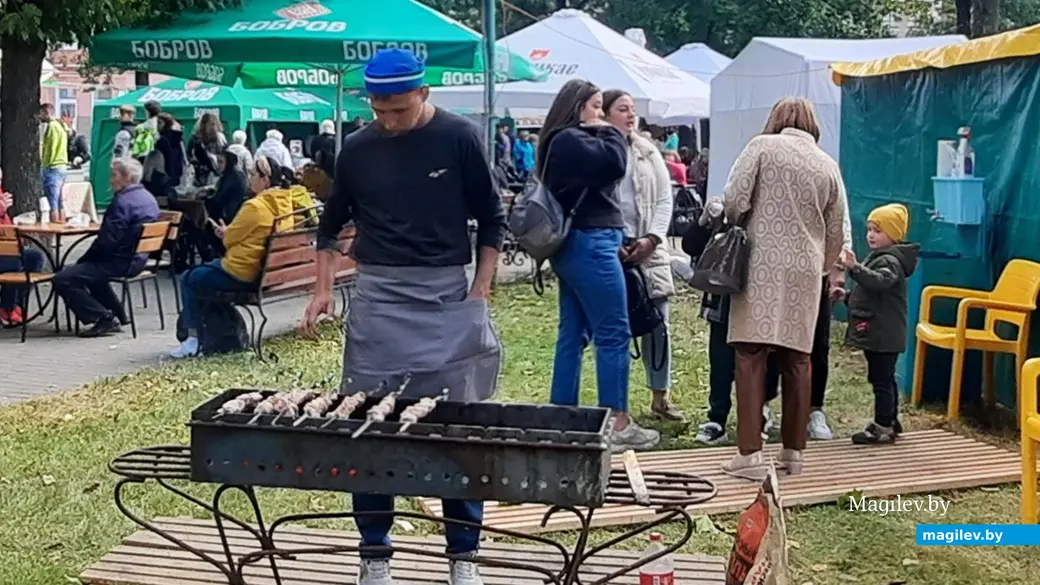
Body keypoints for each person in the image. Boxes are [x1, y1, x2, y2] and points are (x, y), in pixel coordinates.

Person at [299, 48, 504, 585]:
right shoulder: (358, 149)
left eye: (399, 111)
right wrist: (322, 290)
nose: (388, 121)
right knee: (368, 424)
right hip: (379, 298)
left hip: (445, 293)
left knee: (456, 427)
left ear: (423, 94)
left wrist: (479, 291)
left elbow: (491, 218)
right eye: (379, 110)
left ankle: (463, 557)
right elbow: (331, 223)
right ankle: (374, 555)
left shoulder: (458, 137)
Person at [721, 97, 846, 481]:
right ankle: (794, 453)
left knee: (750, 354)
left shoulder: (761, 146)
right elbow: (838, 226)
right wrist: (823, 268)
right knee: (798, 359)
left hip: (761, 262)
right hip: (806, 268)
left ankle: (749, 455)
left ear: (775, 119)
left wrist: (737, 218)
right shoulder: (827, 163)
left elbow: (735, 199)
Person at [538, 79, 660, 452]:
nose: (600, 114)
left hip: (575, 243)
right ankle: (617, 421)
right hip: (591, 243)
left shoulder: (560, 142)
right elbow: (614, 163)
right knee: (613, 332)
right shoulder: (573, 140)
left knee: (572, 333)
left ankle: (563, 415)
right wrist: (608, 131)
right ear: (577, 108)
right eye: (594, 106)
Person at [602, 89, 682, 421]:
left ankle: (660, 397)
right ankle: (615, 406)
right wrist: (614, 240)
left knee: (658, 325)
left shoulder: (649, 152)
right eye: (622, 109)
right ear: (606, 114)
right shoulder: (598, 151)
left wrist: (652, 238)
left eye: (633, 109)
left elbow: (665, 200)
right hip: (610, 249)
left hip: (650, 250)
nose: (630, 115)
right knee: (614, 328)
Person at [170, 156, 295, 359]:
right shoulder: (284, 204)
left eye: (253, 175)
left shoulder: (255, 207)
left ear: (265, 180)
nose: (249, 179)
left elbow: (229, 240)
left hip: (241, 272)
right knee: (203, 272)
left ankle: (192, 340)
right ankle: (211, 334)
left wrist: (224, 232)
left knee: (189, 278)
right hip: (265, 273)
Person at [53, 158, 160, 337]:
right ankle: (117, 313)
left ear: (126, 177)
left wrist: (84, 260)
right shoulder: (147, 198)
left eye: (114, 175)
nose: (111, 180)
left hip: (120, 261)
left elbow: (107, 242)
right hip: (138, 259)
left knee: (63, 278)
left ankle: (103, 318)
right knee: (88, 272)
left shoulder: (123, 203)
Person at [841, 203, 918, 444]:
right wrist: (845, 297)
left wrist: (854, 268)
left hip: (884, 334)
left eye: (878, 230)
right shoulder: (881, 258)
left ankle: (884, 425)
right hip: (882, 332)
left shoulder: (890, 262)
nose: (870, 235)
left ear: (893, 235)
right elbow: (871, 294)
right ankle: (890, 419)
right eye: (869, 229)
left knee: (881, 379)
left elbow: (879, 282)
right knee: (884, 377)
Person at [0, 169, 46, 325]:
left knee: (35, 258)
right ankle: (8, 307)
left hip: (6, 250)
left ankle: (14, 304)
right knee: (15, 262)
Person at [39, 103, 69, 224]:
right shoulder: (61, 126)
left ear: (47, 113)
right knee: (60, 201)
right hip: (62, 166)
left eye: (41, 113)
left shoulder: (51, 127)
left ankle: (53, 233)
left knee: (53, 203)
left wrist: (44, 164)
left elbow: (50, 148)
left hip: (53, 167)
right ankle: (61, 230)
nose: (40, 116)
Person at [187, 112, 227, 186]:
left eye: (213, 124)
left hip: (211, 171)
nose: (212, 127)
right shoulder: (196, 139)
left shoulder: (219, 138)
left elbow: (224, 154)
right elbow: (189, 153)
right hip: (204, 171)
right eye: (211, 124)